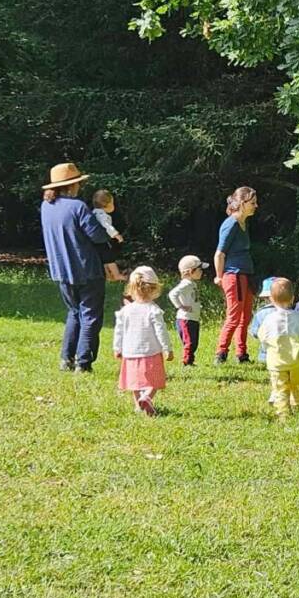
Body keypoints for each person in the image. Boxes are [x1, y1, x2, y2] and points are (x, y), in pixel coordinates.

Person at [40, 162, 111, 373]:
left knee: (74, 312)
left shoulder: (46, 207)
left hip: (61, 270)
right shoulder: (77, 206)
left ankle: (66, 358)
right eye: (79, 183)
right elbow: (97, 235)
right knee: (90, 315)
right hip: (86, 269)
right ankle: (84, 362)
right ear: (71, 186)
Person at [113, 266, 173, 415]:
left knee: (135, 381)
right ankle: (147, 398)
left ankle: (138, 405)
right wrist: (167, 348)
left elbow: (119, 330)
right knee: (154, 381)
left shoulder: (125, 311)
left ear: (132, 288)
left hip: (130, 352)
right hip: (151, 351)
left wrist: (117, 348)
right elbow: (161, 331)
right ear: (154, 289)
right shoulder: (153, 310)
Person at [213, 186, 257, 364]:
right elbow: (219, 254)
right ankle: (220, 353)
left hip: (245, 274)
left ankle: (242, 354)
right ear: (242, 203)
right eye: (253, 202)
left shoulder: (243, 223)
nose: (256, 205)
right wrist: (219, 276)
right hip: (234, 275)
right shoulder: (231, 224)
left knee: (245, 317)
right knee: (234, 316)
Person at [256, 278, 299, 419]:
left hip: (276, 361)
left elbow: (262, 336)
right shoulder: (298, 317)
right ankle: (298, 409)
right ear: (293, 298)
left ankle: (283, 414)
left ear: (271, 298)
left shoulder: (269, 319)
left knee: (280, 388)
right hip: (297, 360)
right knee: (297, 385)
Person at [168, 254, 208, 365]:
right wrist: (180, 306)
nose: (201, 272)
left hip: (193, 318)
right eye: (199, 270)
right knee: (189, 342)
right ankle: (187, 362)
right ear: (190, 271)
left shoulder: (192, 284)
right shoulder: (185, 284)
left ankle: (190, 360)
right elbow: (172, 294)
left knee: (194, 342)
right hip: (185, 318)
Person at [91, 189, 125, 283]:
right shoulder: (102, 215)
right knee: (110, 258)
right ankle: (117, 275)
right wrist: (116, 235)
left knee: (104, 260)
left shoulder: (94, 212)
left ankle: (108, 275)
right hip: (102, 241)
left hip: (96, 242)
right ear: (107, 204)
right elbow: (107, 226)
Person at [249, 277, 278, 363]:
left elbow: (254, 332)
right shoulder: (289, 312)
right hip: (286, 354)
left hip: (265, 355)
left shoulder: (261, 313)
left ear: (265, 298)